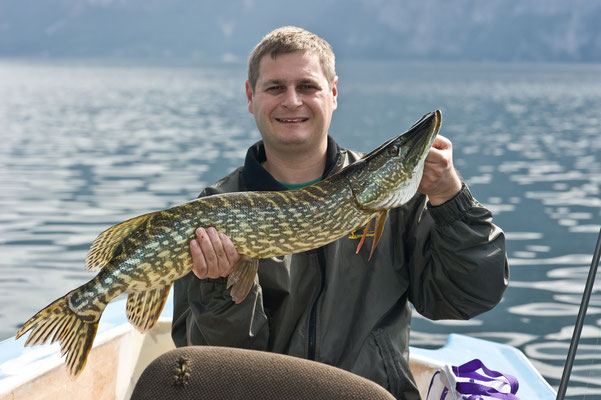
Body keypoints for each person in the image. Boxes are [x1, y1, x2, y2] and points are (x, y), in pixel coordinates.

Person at [171, 26, 508, 399]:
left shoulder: (396, 208)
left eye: (308, 87)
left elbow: (471, 296)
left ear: (333, 93)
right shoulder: (211, 213)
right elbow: (209, 367)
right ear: (251, 97)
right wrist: (221, 288)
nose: (292, 101)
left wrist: (451, 198)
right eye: (275, 88)